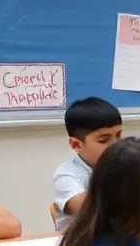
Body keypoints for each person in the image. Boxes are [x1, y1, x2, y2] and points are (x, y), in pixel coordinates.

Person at [52, 97, 123, 231]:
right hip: (82, 242)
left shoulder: (127, 163)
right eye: (103, 140)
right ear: (76, 145)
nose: (116, 145)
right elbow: (85, 208)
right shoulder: (66, 174)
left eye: (118, 135)